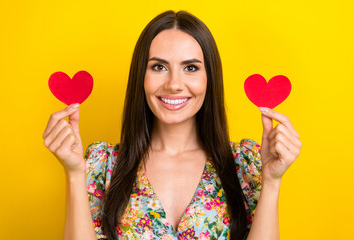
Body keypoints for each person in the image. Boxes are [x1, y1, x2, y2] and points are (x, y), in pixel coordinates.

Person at [42, 10, 302, 240]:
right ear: (140, 77)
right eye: (158, 67)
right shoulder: (103, 165)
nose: (174, 84)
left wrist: (272, 181)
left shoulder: (244, 165)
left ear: (209, 78)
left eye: (190, 68)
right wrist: (75, 173)